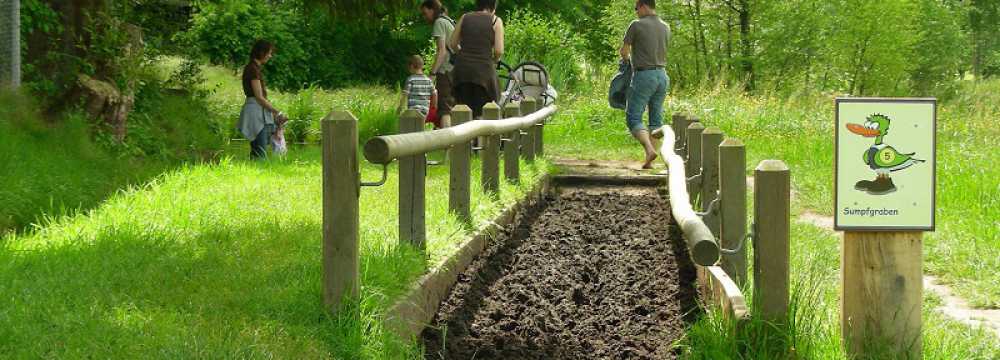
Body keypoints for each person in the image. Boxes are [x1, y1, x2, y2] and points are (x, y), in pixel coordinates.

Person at [620, 0, 671, 169]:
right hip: (662, 76)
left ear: (643, 6)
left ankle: (649, 150)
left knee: (633, 116)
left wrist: (626, 62)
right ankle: (650, 161)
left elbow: (624, 51)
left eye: (636, 8)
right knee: (655, 118)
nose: (636, 12)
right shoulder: (665, 26)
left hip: (644, 75)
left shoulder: (636, 25)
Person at [449, 0, 504, 119]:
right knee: (483, 112)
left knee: (462, 111)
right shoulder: (495, 20)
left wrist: (462, 54)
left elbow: (452, 43)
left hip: (462, 72)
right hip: (483, 73)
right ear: (493, 6)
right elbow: (499, 51)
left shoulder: (465, 17)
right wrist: (494, 60)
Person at [237, 40, 287, 159]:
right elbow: (259, 97)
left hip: (259, 111)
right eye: (269, 53)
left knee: (260, 149)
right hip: (256, 113)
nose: (270, 56)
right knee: (260, 152)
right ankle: (256, 170)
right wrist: (277, 112)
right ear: (261, 52)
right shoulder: (252, 69)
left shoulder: (255, 68)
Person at [420, 0, 456, 129]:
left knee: (445, 109)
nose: (425, 17)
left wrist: (432, 73)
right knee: (453, 107)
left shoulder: (439, 22)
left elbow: (442, 52)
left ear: (432, 9)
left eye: (425, 13)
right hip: (456, 69)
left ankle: (447, 144)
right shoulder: (448, 20)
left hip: (445, 71)